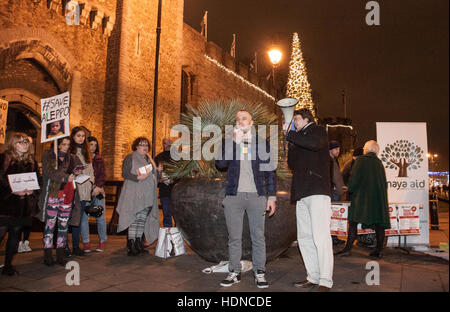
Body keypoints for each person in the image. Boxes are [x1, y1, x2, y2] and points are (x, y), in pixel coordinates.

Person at [215, 110, 276, 289]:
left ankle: (259, 272)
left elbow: (270, 172)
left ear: (252, 122)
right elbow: (220, 164)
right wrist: (234, 141)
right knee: (234, 237)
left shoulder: (262, 144)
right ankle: (234, 272)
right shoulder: (229, 142)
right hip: (234, 196)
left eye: (244, 118)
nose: (241, 121)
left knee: (258, 236)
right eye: (237, 119)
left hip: (257, 197)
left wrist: (271, 197)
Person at [286, 108, 333, 292]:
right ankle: (312, 276)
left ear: (306, 119)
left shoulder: (318, 131)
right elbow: (292, 164)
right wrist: (291, 143)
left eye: (296, 119)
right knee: (304, 237)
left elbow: (314, 144)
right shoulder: (297, 137)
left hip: (317, 190)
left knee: (320, 236)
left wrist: (291, 135)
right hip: (302, 193)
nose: (294, 123)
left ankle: (325, 280)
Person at [335, 140, 390, 259]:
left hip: (362, 200)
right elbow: (384, 184)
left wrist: (350, 188)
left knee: (353, 222)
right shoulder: (379, 163)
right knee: (379, 225)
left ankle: (347, 248)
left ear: (366, 149)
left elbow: (354, 180)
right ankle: (379, 250)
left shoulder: (360, 161)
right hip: (378, 200)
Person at [0, 133, 40, 275]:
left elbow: (37, 181)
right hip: (6, 205)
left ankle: (8, 266)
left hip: (23, 207)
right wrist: (12, 190)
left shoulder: (31, 162)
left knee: (15, 236)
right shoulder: (5, 159)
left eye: (26, 142)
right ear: (13, 143)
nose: (24, 144)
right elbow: (1, 179)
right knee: (1, 233)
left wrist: (32, 191)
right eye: (20, 142)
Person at [39, 137, 82, 266]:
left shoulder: (71, 157)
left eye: (68, 145)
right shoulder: (48, 155)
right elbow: (49, 172)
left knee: (63, 226)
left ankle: (60, 254)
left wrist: (77, 173)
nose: (66, 147)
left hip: (67, 194)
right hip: (53, 193)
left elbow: (75, 172)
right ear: (57, 145)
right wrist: (65, 177)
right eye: (63, 144)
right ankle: (47, 254)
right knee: (50, 225)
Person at [116, 137, 161, 256]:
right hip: (134, 192)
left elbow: (153, 176)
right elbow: (125, 173)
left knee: (141, 220)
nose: (144, 147)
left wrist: (158, 171)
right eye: (141, 145)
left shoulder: (149, 159)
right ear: (136, 146)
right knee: (134, 219)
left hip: (147, 195)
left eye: (146, 145)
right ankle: (131, 246)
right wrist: (137, 177)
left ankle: (138, 244)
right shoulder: (130, 157)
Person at [69, 126, 95, 256]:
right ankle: (63, 245)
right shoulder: (70, 151)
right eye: (78, 135)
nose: (81, 138)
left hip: (85, 188)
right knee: (71, 218)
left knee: (79, 219)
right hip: (74, 188)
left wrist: (92, 182)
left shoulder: (86, 152)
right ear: (73, 136)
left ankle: (75, 246)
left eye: (83, 136)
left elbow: (90, 170)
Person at [80, 136, 107, 252]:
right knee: (84, 218)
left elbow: (102, 175)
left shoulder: (99, 159)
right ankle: (86, 242)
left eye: (95, 145)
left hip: (97, 191)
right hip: (85, 191)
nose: (93, 147)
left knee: (100, 217)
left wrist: (98, 187)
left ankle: (102, 241)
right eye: (91, 144)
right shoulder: (81, 158)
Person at [154, 138, 175, 228]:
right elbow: (154, 173)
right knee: (166, 213)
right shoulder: (159, 157)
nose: (166, 145)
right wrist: (159, 180)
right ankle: (168, 232)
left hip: (175, 189)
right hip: (164, 189)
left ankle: (178, 233)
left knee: (177, 214)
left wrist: (174, 179)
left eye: (168, 143)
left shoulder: (177, 157)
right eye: (164, 143)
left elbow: (182, 173)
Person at [329, 140, 345, 246]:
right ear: (330, 150)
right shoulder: (329, 160)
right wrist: (338, 188)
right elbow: (335, 177)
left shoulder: (334, 160)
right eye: (336, 149)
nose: (338, 151)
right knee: (333, 216)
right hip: (332, 192)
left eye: (338, 149)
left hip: (334, 191)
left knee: (334, 216)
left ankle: (334, 237)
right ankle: (332, 238)